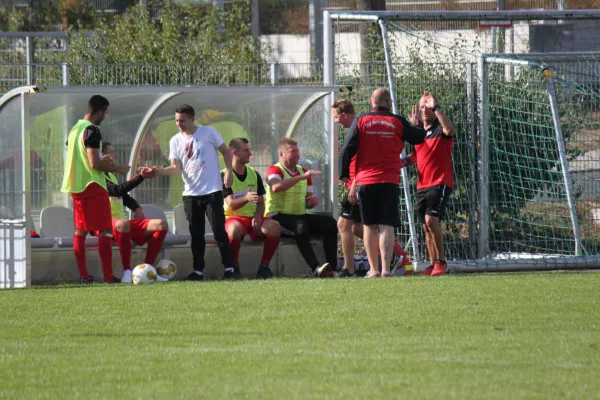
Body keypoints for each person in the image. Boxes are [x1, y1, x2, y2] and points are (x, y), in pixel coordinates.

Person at [339, 88, 425, 278]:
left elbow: (347, 148)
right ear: (389, 102)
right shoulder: (397, 121)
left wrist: (343, 173)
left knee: (369, 226)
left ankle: (374, 270)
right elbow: (419, 138)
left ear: (371, 102)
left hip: (365, 181)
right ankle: (386, 269)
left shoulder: (362, 120)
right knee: (386, 225)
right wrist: (417, 124)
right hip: (389, 179)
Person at [155, 104, 237, 281]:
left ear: (192, 118)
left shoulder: (208, 132)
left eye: (182, 120)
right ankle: (198, 271)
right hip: (191, 195)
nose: (179, 124)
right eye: (177, 121)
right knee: (196, 234)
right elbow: (176, 169)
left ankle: (230, 268)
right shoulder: (175, 140)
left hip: (212, 192)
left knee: (218, 232)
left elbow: (226, 152)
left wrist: (229, 171)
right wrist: (157, 171)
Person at [60, 95, 130, 284]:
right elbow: (93, 163)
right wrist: (117, 168)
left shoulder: (75, 129)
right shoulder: (92, 130)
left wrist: (100, 158)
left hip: (76, 185)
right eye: (105, 113)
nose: (105, 117)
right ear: (99, 111)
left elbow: (83, 154)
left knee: (80, 231)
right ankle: (108, 277)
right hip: (93, 185)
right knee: (106, 230)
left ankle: (84, 276)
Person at [265, 137, 338, 277]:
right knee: (300, 227)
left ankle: (332, 269)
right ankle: (315, 268)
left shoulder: (304, 171)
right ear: (281, 154)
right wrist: (302, 176)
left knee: (330, 224)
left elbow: (307, 202)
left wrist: (311, 202)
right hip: (277, 217)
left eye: (298, 151)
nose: (297, 154)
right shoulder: (274, 170)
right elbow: (276, 187)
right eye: (292, 151)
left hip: (299, 216)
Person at [102, 142, 169, 283]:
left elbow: (123, 196)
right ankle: (127, 272)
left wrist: (137, 207)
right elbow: (116, 190)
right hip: (105, 224)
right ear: (101, 156)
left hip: (121, 224)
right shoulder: (96, 176)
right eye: (110, 153)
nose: (114, 156)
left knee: (160, 224)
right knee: (123, 224)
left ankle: (147, 270)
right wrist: (141, 176)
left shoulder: (111, 176)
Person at [408, 91, 455, 276]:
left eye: (428, 106)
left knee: (431, 220)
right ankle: (433, 263)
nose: (424, 110)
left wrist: (437, 108)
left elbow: (450, 130)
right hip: (422, 185)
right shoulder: (418, 133)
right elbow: (417, 155)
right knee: (426, 226)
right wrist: (402, 161)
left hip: (440, 182)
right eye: (422, 106)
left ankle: (441, 262)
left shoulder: (440, 128)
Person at [222, 138, 281, 279]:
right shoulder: (224, 175)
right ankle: (234, 268)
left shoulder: (254, 174)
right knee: (234, 230)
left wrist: (258, 215)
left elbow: (261, 202)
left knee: (275, 227)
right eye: (246, 150)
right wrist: (246, 198)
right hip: (233, 218)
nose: (251, 153)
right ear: (235, 153)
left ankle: (264, 267)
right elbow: (231, 204)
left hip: (253, 218)